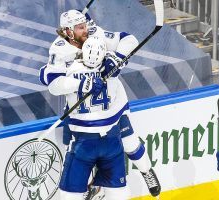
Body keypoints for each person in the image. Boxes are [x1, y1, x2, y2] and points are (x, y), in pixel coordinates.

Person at [39, 9, 161, 198]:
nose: (85, 30)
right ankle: (91, 185)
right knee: (71, 147)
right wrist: (82, 83)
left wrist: (117, 57)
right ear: (68, 32)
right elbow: (54, 83)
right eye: (80, 28)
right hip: (82, 111)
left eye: (85, 25)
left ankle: (146, 170)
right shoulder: (59, 48)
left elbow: (130, 40)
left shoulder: (96, 34)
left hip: (114, 105)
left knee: (129, 142)